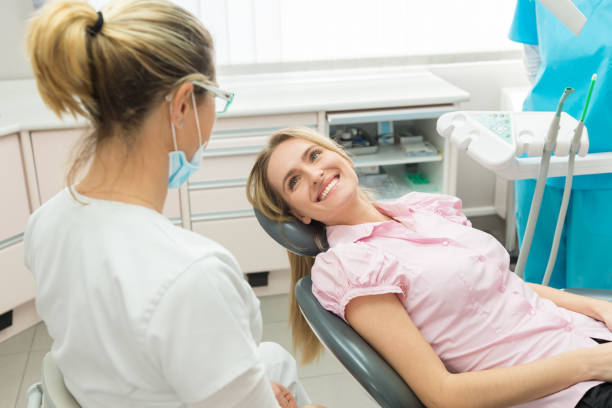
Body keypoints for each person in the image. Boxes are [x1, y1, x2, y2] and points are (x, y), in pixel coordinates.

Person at [24, 1, 318, 407]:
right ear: (182, 105)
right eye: (216, 95)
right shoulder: (193, 275)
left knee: (273, 360)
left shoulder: (46, 223)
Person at [246, 126, 612, 407]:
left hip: (590, 337)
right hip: (567, 391)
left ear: (339, 155)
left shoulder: (423, 208)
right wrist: (589, 365)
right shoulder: (351, 265)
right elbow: (442, 394)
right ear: (297, 214)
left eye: (314, 156)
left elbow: (503, 284)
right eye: (294, 181)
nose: (314, 174)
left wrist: (598, 308)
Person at [509, 0, 612, 289]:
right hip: (543, 145)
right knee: (539, 283)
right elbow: (534, 59)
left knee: (595, 292)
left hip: (604, 166)